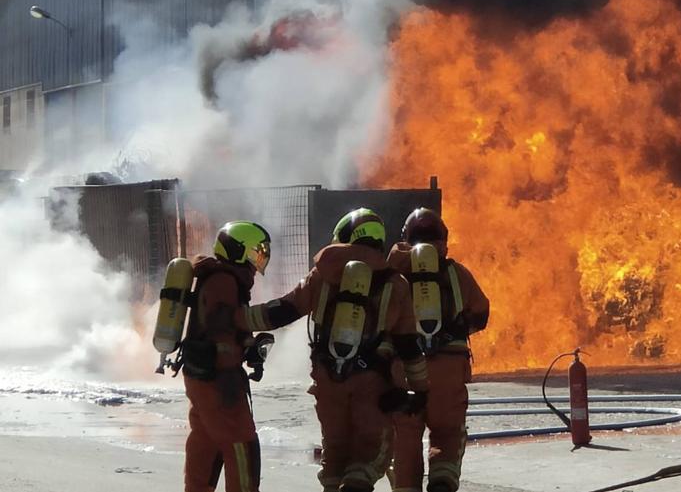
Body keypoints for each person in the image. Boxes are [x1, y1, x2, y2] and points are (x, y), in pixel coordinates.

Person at [238, 208, 429, 492]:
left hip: (327, 381)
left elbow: (285, 309)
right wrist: (421, 390)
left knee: (334, 455)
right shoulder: (396, 284)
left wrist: (237, 318)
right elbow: (409, 345)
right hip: (373, 384)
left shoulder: (322, 274)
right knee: (371, 455)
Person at [387, 208, 490, 492]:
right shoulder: (457, 274)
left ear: (406, 238)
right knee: (447, 434)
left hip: (405, 369)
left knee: (404, 441)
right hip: (448, 369)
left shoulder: (393, 275)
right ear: (443, 239)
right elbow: (481, 314)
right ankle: (442, 483)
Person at [181, 221, 274, 492]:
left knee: (206, 443)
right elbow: (223, 324)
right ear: (238, 250)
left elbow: (223, 329)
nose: (259, 258)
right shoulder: (225, 280)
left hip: (203, 375)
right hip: (220, 380)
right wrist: (266, 320)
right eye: (256, 251)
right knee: (242, 445)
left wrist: (249, 346)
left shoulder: (221, 277)